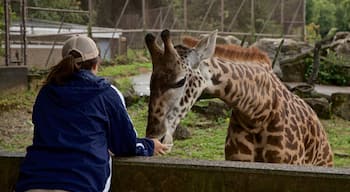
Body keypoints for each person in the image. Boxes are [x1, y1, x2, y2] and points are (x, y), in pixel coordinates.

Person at [15, 35, 167, 192]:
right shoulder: (106, 93)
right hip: (82, 183)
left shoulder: (46, 93)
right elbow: (125, 144)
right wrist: (149, 145)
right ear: (97, 63)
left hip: (32, 182)